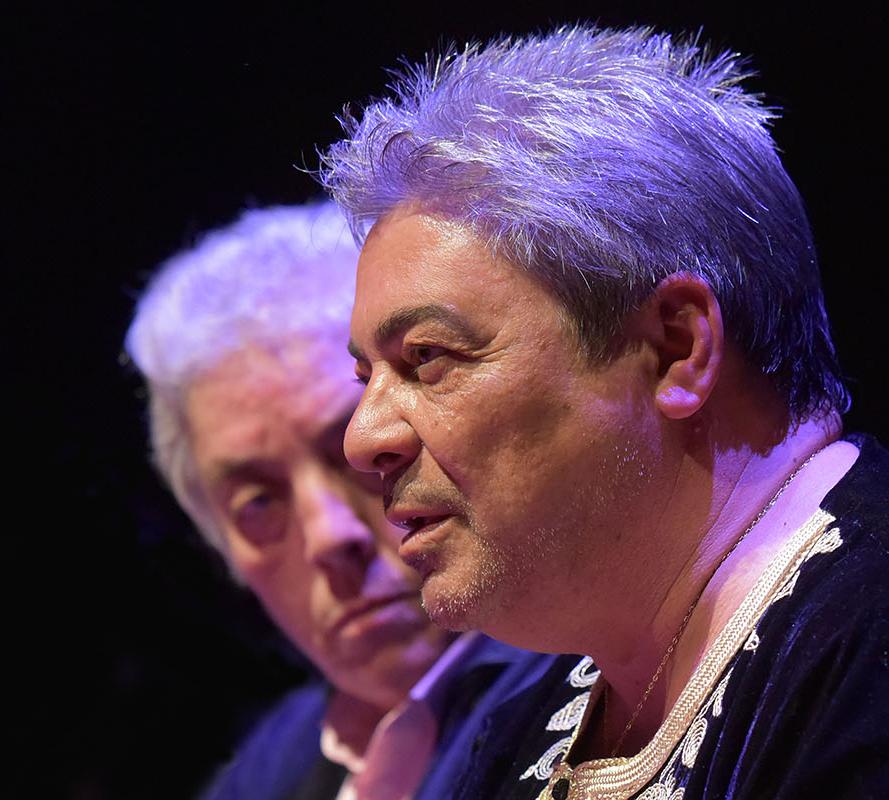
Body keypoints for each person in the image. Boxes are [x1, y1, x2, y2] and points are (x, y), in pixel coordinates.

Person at [319, 25, 889, 799]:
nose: (364, 439)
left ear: (676, 348)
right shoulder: (520, 731)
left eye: (428, 359)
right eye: (366, 376)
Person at [124, 202, 570, 800]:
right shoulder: (263, 774)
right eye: (257, 503)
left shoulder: (596, 682)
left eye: (355, 453)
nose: (331, 535)